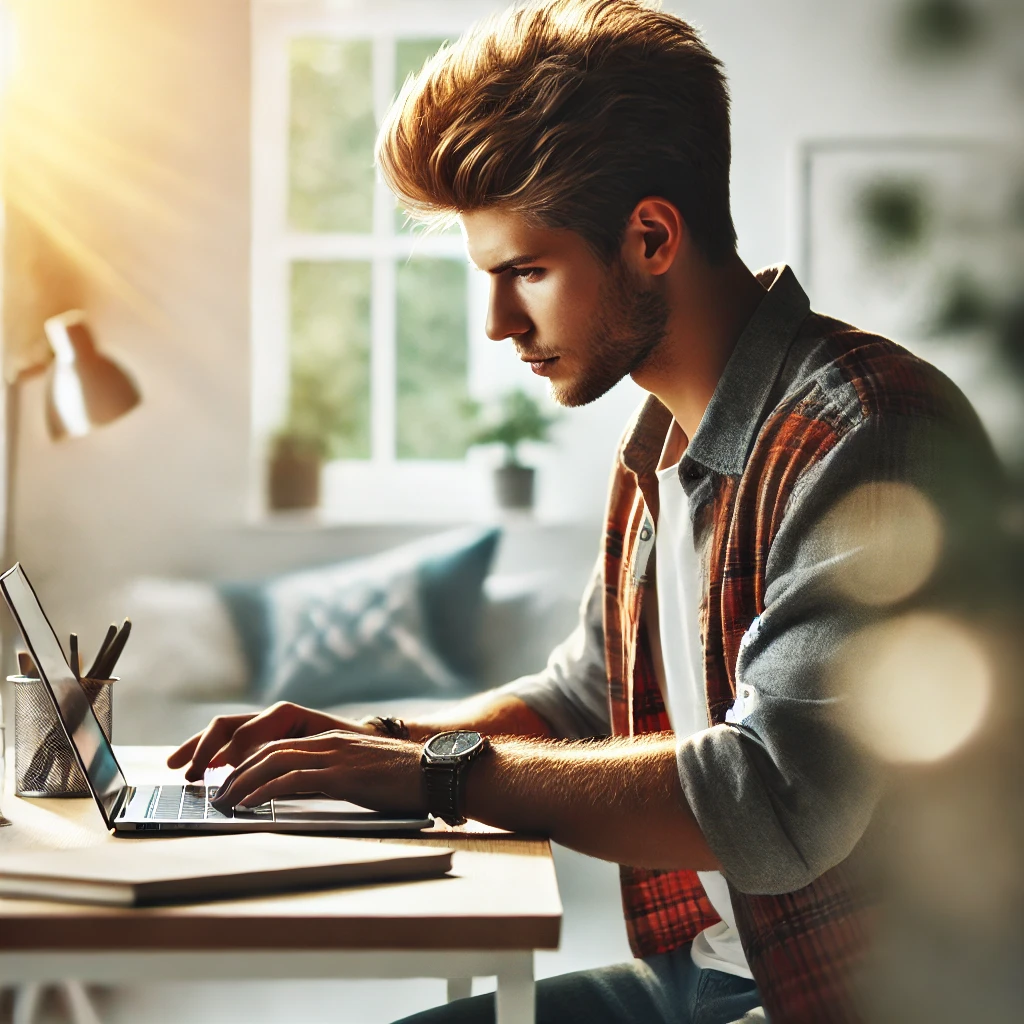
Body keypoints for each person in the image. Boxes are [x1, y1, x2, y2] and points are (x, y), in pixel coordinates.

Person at [169, 2, 1002, 1021]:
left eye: (526, 272)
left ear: (650, 235)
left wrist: (431, 774)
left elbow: (776, 799)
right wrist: (368, 744)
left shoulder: (867, 432)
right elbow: (584, 698)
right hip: (709, 974)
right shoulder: (659, 443)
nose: (496, 323)